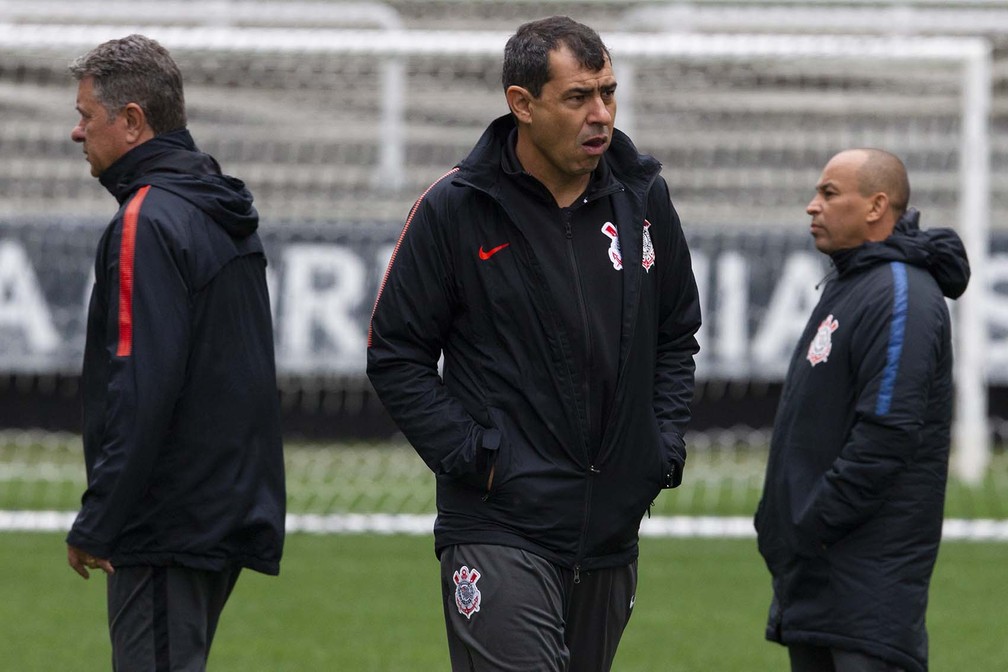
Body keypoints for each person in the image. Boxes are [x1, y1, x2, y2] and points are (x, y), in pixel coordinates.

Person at [367, 15, 701, 672]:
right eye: (579, 97)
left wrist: (655, 450)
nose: (600, 114)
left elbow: (675, 335)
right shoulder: (455, 208)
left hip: (609, 531)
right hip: (498, 524)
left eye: (608, 92)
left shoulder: (643, 198)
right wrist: (479, 459)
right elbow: (396, 354)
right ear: (522, 104)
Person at [65, 34, 285, 671]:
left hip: (166, 520)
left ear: (132, 121)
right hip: (218, 509)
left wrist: (101, 516)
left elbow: (142, 383)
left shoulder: (150, 217)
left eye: (86, 116)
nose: (77, 133)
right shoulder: (214, 203)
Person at [754, 149, 970, 672]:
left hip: (865, 586)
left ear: (876, 206)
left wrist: (812, 522)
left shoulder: (902, 294)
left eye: (829, 194)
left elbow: (888, 433)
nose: (812, 206)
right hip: (820, 579)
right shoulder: (853, 284)